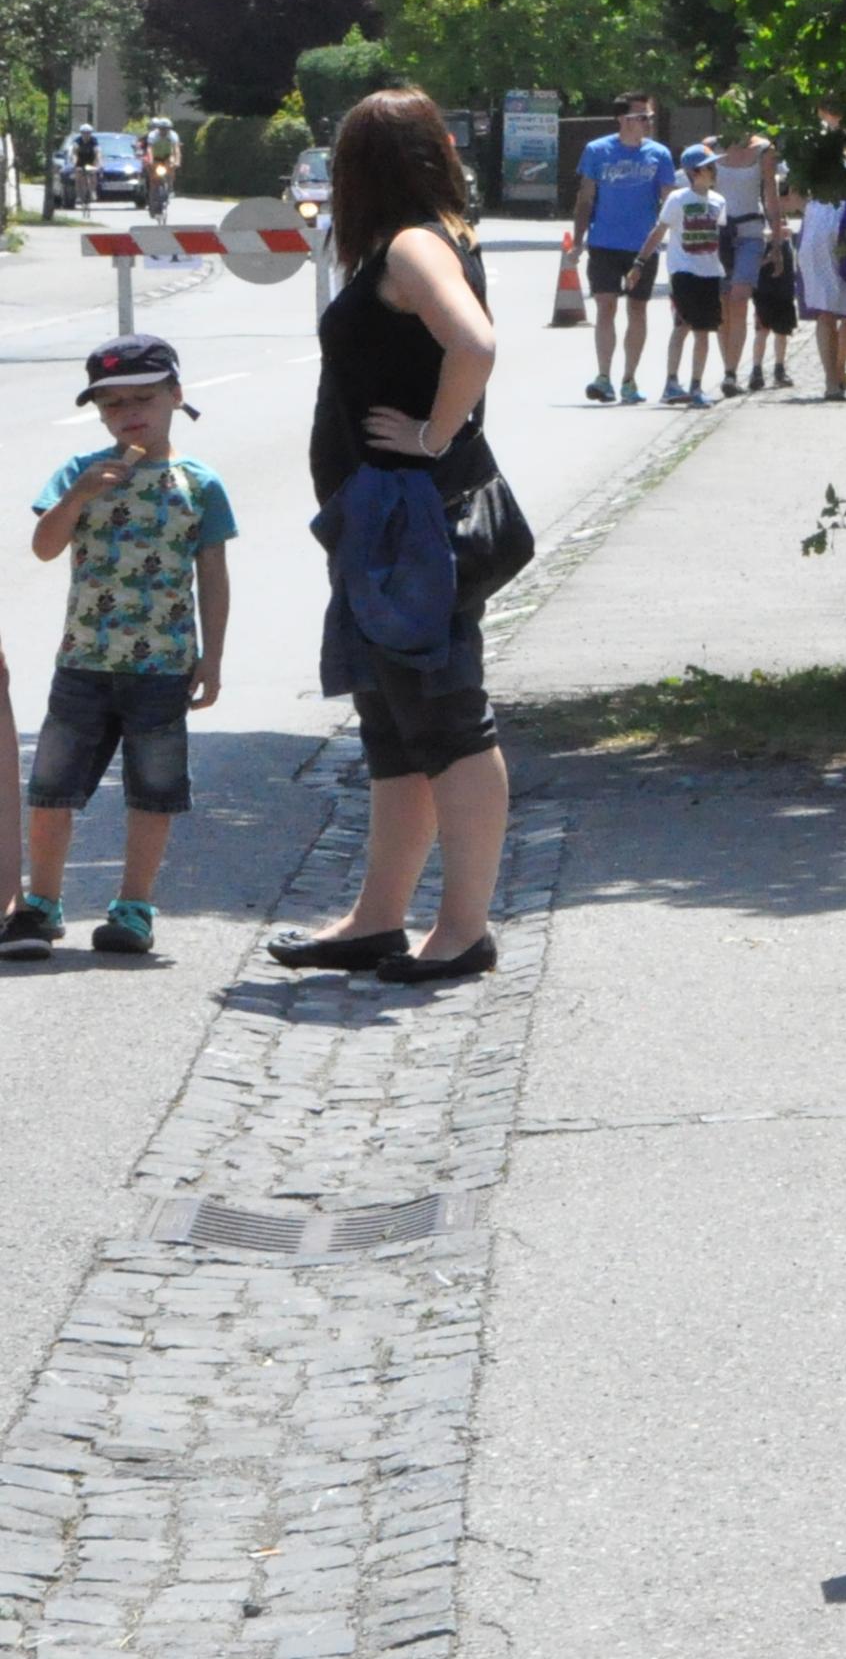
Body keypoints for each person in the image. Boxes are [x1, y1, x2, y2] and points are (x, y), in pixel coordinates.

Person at [271, 89, 522, 987]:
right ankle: (377, 919)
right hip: (387, 522)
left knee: (447, 721)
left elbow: (474, 345)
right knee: (394, 724)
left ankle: (462, 931)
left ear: (355, 170)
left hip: (411, 523)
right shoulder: (427, 236)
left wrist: (431, 435)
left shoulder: (414, 245)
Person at [0, 337, 234, 962]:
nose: (129, 413)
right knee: (51, 789)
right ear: (99, 414)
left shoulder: (199, 483)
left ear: (175, 397)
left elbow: (212, 572)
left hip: (163, 665)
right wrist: (79, 496)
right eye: (113, 404)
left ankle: (133, 905)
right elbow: (44, 547)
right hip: (84, 660)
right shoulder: (81, 471)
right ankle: (40, 904)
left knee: (153, 791)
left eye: (143, 399)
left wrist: (212, 657)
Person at [571, 94, 679, 405]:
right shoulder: (597, 150)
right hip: (604, 242)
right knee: (606, 307)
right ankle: (603, 377)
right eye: (641, 116)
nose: (648, 122)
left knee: (637, 309)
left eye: (650, 117)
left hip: (642, 246)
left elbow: (669, 201)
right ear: (622, 119)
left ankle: (629, 379)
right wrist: (578, 240)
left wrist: (678, 237)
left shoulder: (659, 154)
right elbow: (585, 198)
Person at [644, 146, 732, 407]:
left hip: (710, 273)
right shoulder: (677, 199)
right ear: (695, 172)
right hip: (684, 272)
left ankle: (695, 385)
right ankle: (674, 383)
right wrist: (640, 261)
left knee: (703, 330)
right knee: (685, 326)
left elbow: (717, 235)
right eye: (709, 167)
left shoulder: (719, 201)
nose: (715, 171)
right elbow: (659, 231)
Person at [707, 113, 780, 386]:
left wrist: (776, 240)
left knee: (739, 299)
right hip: (717, 233)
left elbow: (770, 195)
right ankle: (728, 366)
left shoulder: (764, 150)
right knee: (722, 303)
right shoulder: (711, 147)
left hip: (750, 233)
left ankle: (730, 372)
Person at [793, 106, 846, 399]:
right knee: (835, 309)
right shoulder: (813, 141)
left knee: (841, 309)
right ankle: (834, 376)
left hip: (836, 217)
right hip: (832, 217)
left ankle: (836, 373)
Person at [747, 197, 801, 392]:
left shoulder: (787, 231)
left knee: (782, 331)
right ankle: (756, 370)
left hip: (784, 290)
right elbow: (753, 263)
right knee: (762, 330)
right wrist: (770, 252)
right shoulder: (761, 233)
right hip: (764, 291)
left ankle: (779, 369)